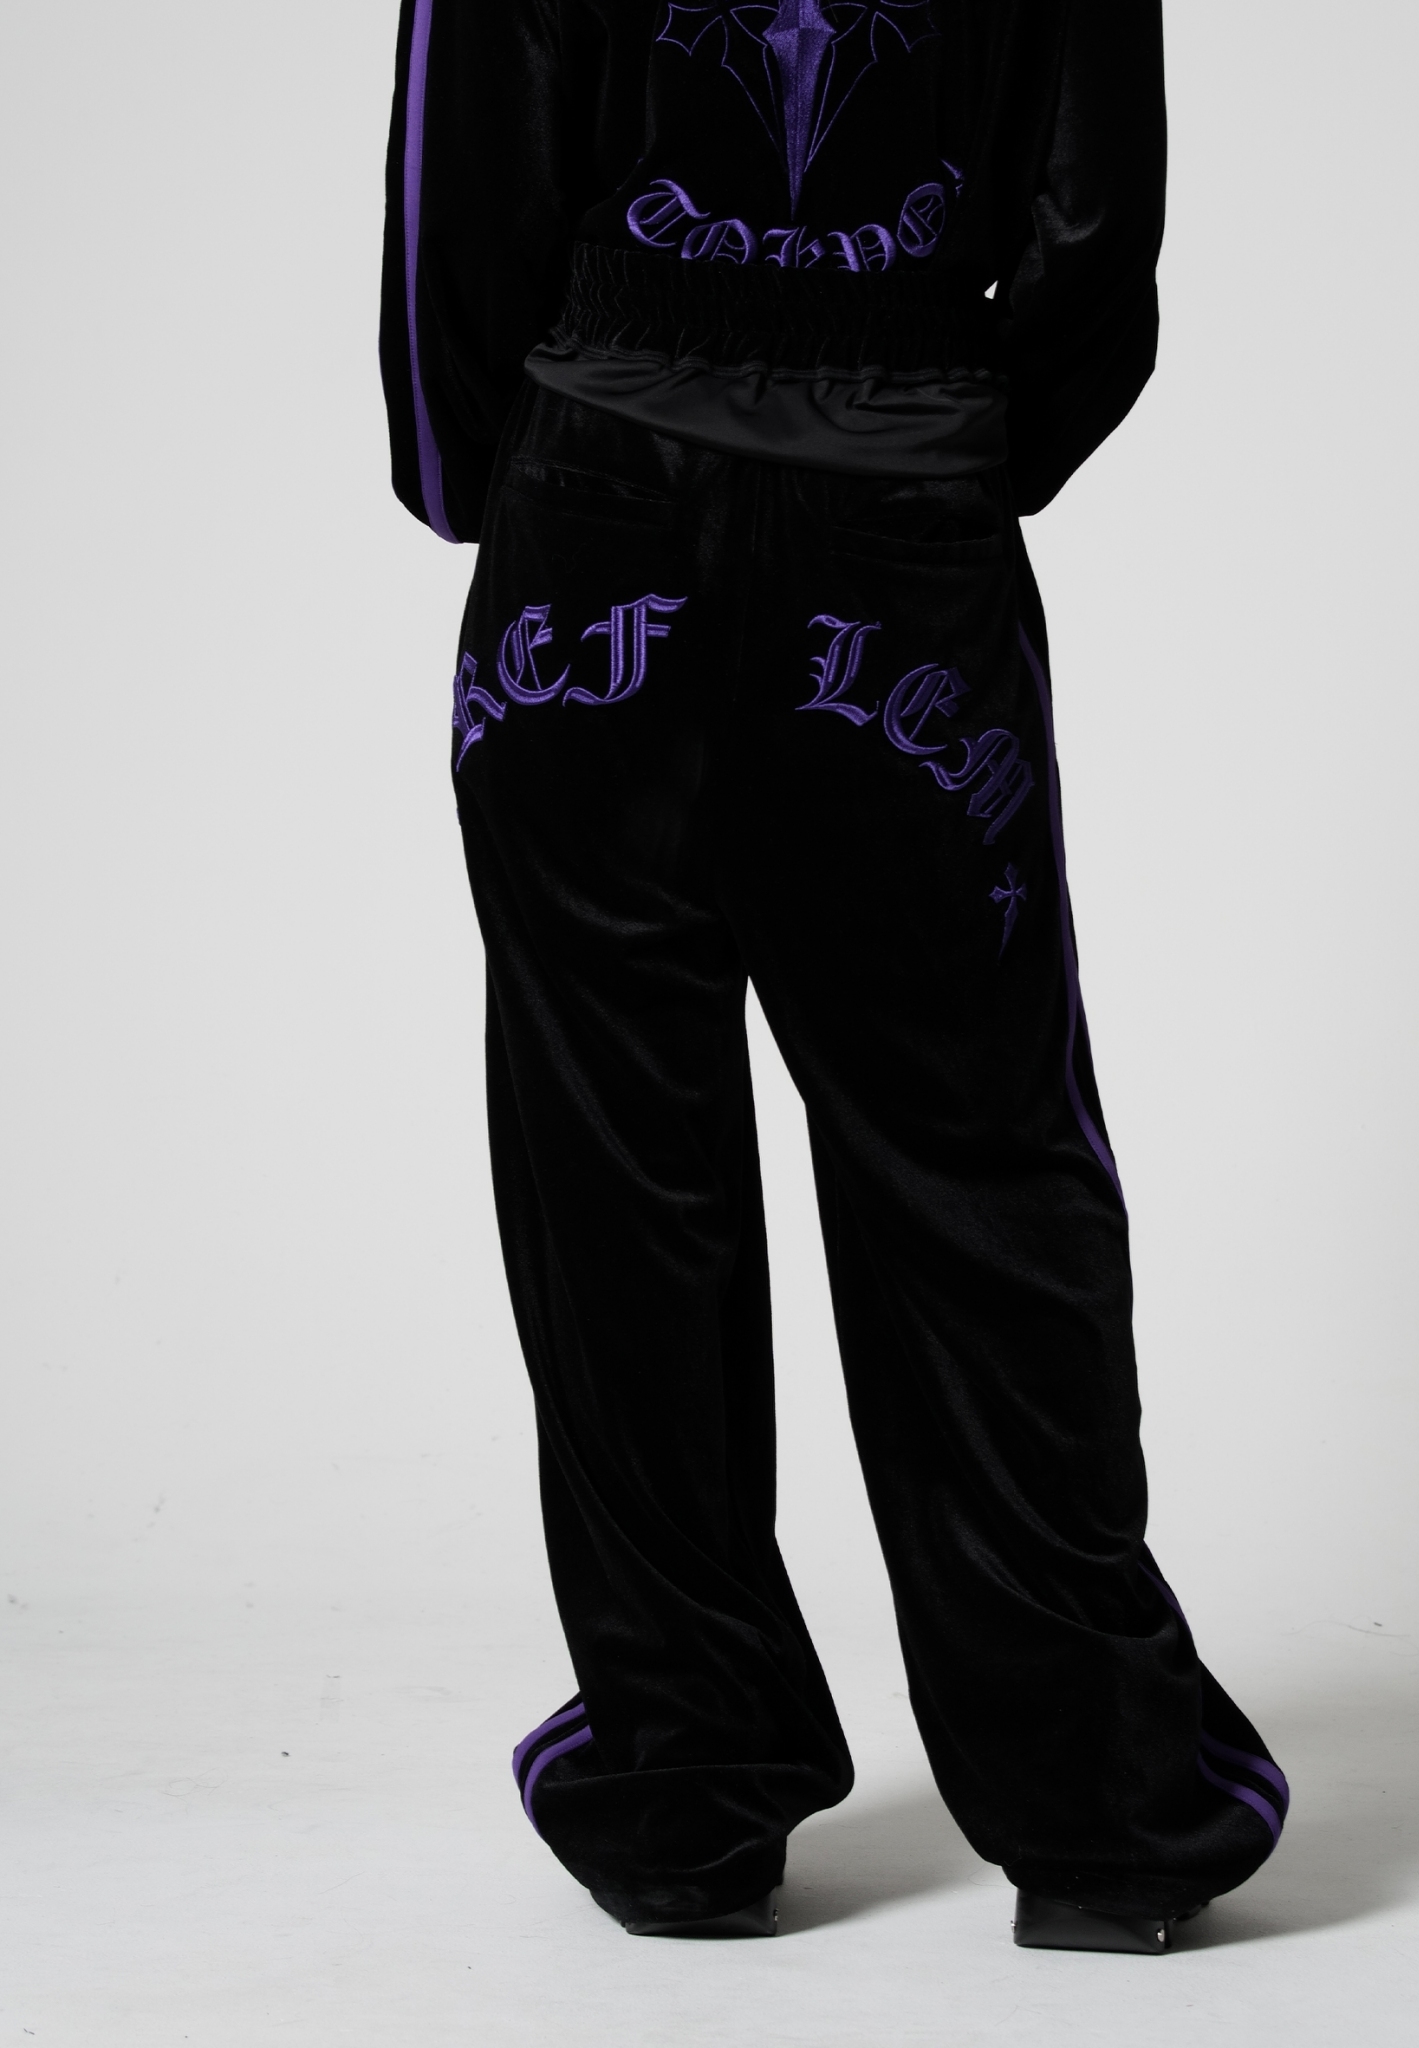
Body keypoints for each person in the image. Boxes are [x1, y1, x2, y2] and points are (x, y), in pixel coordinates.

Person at [379, 0, 1286, 1954]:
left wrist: (505, 478)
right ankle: (1103, 1805)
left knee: (617, 1183)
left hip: (593, 534)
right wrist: (932, 445)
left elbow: (461, 201)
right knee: (977, 1164)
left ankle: (682, 1791)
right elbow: (1094, 246)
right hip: (898, 532)